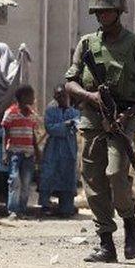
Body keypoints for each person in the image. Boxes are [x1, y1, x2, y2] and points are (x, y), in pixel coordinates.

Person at [65, 0, 135, 263]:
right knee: (93, 182)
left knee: (116, 175)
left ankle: (130, 222)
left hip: (124, 117)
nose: (102, 16)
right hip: (93, 118)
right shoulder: (87, 45)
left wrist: (128, 114)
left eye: (107, 11)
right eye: (99, 11)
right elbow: (70, 82)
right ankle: (106, 242)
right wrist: (90, 96)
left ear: (119, 12)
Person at [39, 85, 81, 217]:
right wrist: (65, 125)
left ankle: (66, 208)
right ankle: (45, 206)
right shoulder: (50, 111)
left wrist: (65, 126)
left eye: (63, 95)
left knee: (68, 177)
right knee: (48, 175)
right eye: (58, 96)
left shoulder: (75, 113)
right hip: (53, 149)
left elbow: (76, 127)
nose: (60, 98)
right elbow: (50, 128)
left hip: (69, 149)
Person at [1, 85, 39, 217]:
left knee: (26, 183)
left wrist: (37, 151)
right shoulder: (10, 113)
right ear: (23, 97)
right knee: (14, 180)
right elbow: (5, 134)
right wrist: (5, 153)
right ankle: (12, 209)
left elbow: (33, 134)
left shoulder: (32, 115)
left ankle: (22, 210)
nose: (33, 98)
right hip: (15, 153)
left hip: (28, 154)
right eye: (31, 96)